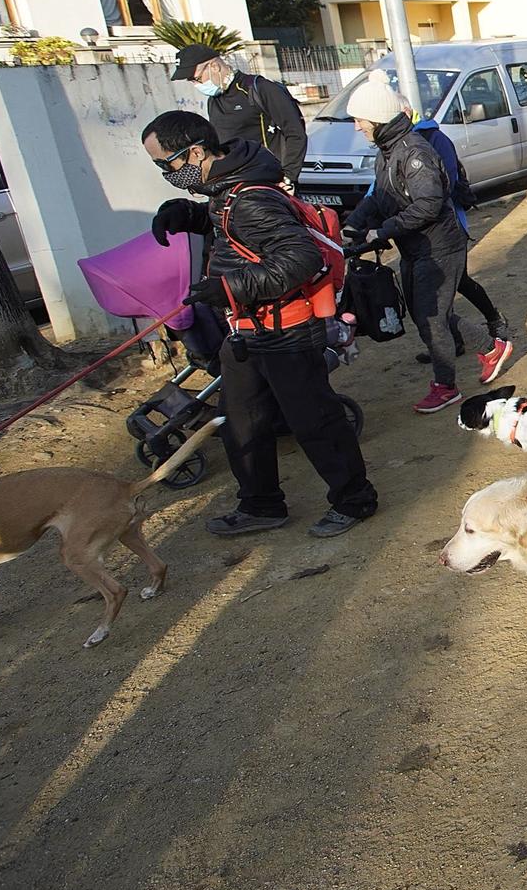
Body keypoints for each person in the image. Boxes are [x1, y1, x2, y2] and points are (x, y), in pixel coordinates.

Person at [143, 110, 377, 538]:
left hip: (285, 329)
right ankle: (261, 505)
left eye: (167, 164)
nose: (165, 173)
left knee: (315, 422)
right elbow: (240, 234)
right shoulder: (226, 185)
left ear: (195, 151)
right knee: (241, 421)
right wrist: (189, 215)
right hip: (247, 331)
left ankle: (355, 500)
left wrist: (229, 289)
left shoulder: (250, 196)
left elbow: (300, 259)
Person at [343, 72, 471, 414]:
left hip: (440, 246)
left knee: (432, 319)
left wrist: (383, 231)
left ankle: (446, 387)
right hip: (416, 247)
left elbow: (428, 204)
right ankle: (491, 345)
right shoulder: (386, 152)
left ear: (378, 119)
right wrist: (353, 225)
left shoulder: (414, 152)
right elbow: (380, 196)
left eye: (359, 120)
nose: (357, 127)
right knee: (423, 314)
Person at [410, 109, 513, 385]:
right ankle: (451, 343)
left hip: (448, 229)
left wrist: (420, 209)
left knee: (458, 283)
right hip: (422, 234)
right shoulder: (398, 146)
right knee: (445, 289)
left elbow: (448, 182)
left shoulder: (435, 138)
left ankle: (493, 322)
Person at [171, 44, 309, 187]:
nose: (195, 85)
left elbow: (295, 133)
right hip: (234, 185)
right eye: (191, 81)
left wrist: (288, 178)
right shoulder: (213, 100)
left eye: (197, 79)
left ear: (214, 67)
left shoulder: (259, 88)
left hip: (269, 182)